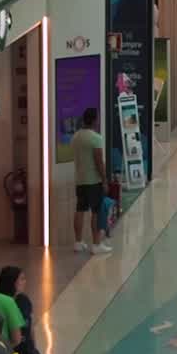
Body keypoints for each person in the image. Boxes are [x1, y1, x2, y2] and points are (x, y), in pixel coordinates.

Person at [69, 108, 111, 253]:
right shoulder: (95, 138)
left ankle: (78, 242)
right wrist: (105, 180)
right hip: (94, 181)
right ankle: (96, 244)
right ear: (94, 120)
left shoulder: (76, 137)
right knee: (96, 211)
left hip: (80, 180)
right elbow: (99, 162)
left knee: (80, 209)